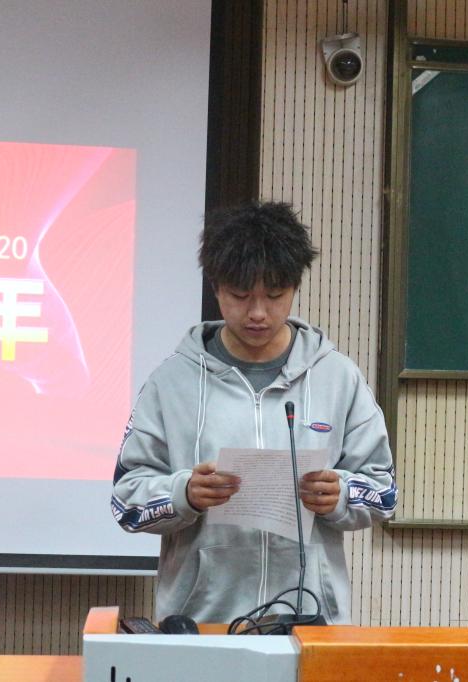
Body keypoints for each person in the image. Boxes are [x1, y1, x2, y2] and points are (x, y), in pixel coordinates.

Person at [111, 201, 397, 624]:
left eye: (274, 296)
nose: (258, 313)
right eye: (241, 296)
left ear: (294, 287)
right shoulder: (170, 383)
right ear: (216, 287)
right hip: (204, 624)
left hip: (309, 622)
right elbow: (126, 499)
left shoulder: (338, 378)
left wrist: (341, 494)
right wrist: (184, 493)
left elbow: (384, 493)